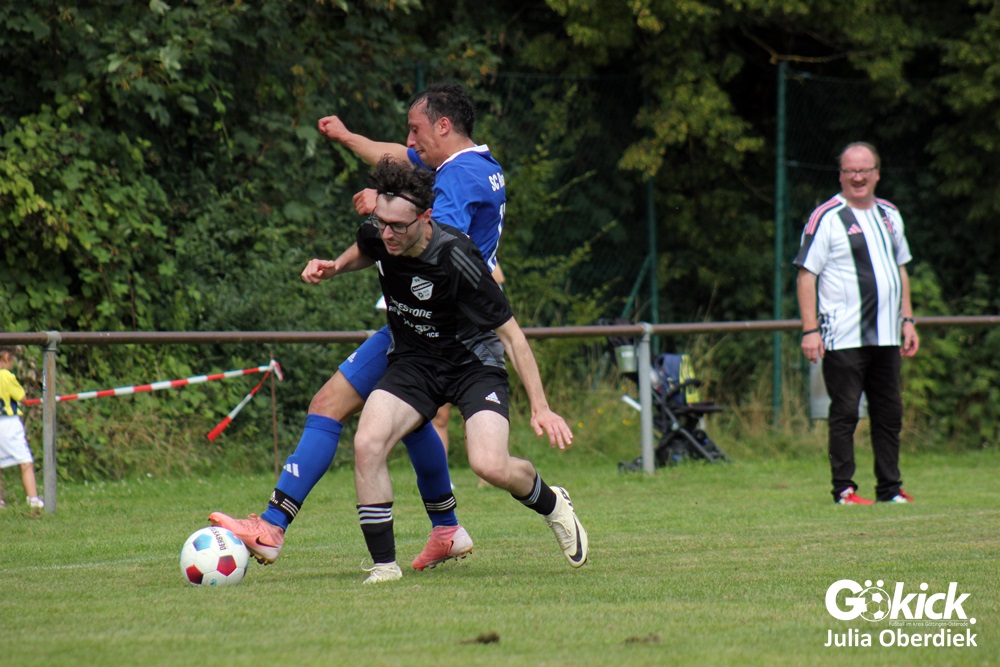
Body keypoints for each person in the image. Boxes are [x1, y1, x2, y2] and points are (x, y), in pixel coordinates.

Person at [210, 83, 506, 572]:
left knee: (329, 404)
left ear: (443, 126)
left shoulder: (456, 178)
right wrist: (349, 138)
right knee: (412, 424)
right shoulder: (474, 166)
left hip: (431, 326)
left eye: (416, 129)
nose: (410, 140)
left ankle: (272, 526)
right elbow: (397, 157)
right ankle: (447, 529)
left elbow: (431, 235)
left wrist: (383, 205)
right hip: (434, 324)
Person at [302, 157, 587, 584]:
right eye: (382, 222)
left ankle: (552, 502)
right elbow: (366, 247)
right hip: (415, 362)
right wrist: (335, 267)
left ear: (426, 217)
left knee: (489, 465)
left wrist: (541, 407)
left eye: (399, 226)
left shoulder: (458, 257)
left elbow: (512, 337)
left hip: (473, 365)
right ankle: (385, 567)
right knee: (367, 442)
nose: (388, 234)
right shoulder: (380, 233)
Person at [794, 141, 919, 505]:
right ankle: (844, 490)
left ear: (877, 173)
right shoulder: (826, 216)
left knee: (889, 413)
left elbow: (900, 269)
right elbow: (806, 275)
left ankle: (890, 489)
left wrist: (907, 320)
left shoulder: (890, 214)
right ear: (841, 175)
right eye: (851, 170)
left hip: (887, 335)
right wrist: (810, 330)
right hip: (843, 336)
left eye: (865, 170)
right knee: (845, 413)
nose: (858, 177)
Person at [0, 347, 44, 510]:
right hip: (8, 423)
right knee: (25, 461)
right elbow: (22, 397)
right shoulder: (6, 375)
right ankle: (33, 499)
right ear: (6, 357)